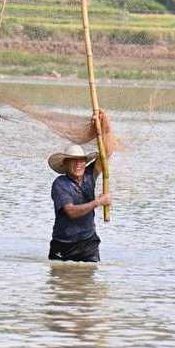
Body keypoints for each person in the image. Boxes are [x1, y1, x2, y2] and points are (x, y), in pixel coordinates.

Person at [47, 110, 114, 263]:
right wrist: (98, 202)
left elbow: (107, 153)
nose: (79, 164)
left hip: (88, 243)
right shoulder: (60, 184)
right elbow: (70, 212)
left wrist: (104, 126)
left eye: (82, 160)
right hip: (63, 245)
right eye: (74, 161)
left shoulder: (89, 176)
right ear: (65, 164)